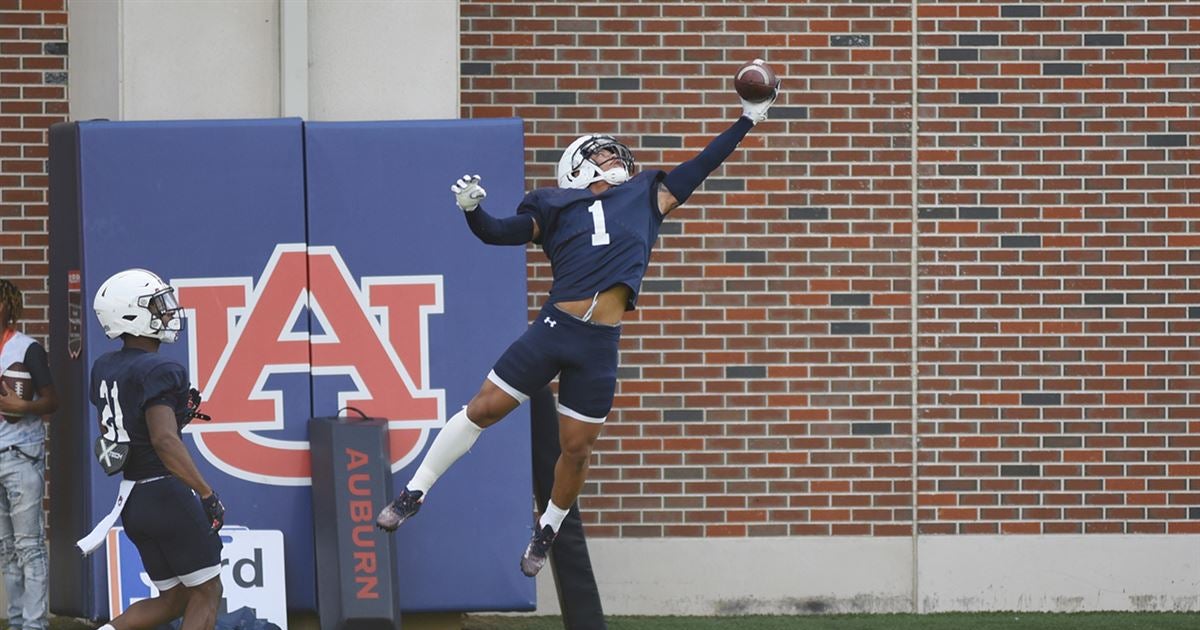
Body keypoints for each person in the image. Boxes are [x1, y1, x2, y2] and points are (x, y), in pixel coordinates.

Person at [377, 82, 779, 577]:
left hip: (598, 344)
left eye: (614, 152)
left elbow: (701, 165)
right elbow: (499, 233)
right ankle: (414, 492)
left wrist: (746, 120)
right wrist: (472, 211)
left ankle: (546, 531)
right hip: (555, 328)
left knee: (577, 448)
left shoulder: (647, 196)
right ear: (578, 167)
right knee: (483, 408)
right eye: (603, 153)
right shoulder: (552, 205)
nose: (614, 158)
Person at [88, 269, 225, 630]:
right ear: (131, 314)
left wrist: (173, 420)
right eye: (157, 305)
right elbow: (164, 440)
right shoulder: (160, 368)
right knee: (207, 591)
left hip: (133, 499)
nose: (167, 312)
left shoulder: (104, 366)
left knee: (174, 598)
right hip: (166, 493)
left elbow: (124, 431)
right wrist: (207, 493)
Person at [0, 279, 58, 630]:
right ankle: (18, 620)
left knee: (29, 547)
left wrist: (22, 405)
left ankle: (35, 625)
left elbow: (54, 400)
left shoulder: (27, 349)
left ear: (8, 306)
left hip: (20, 455)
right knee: (6, 550)